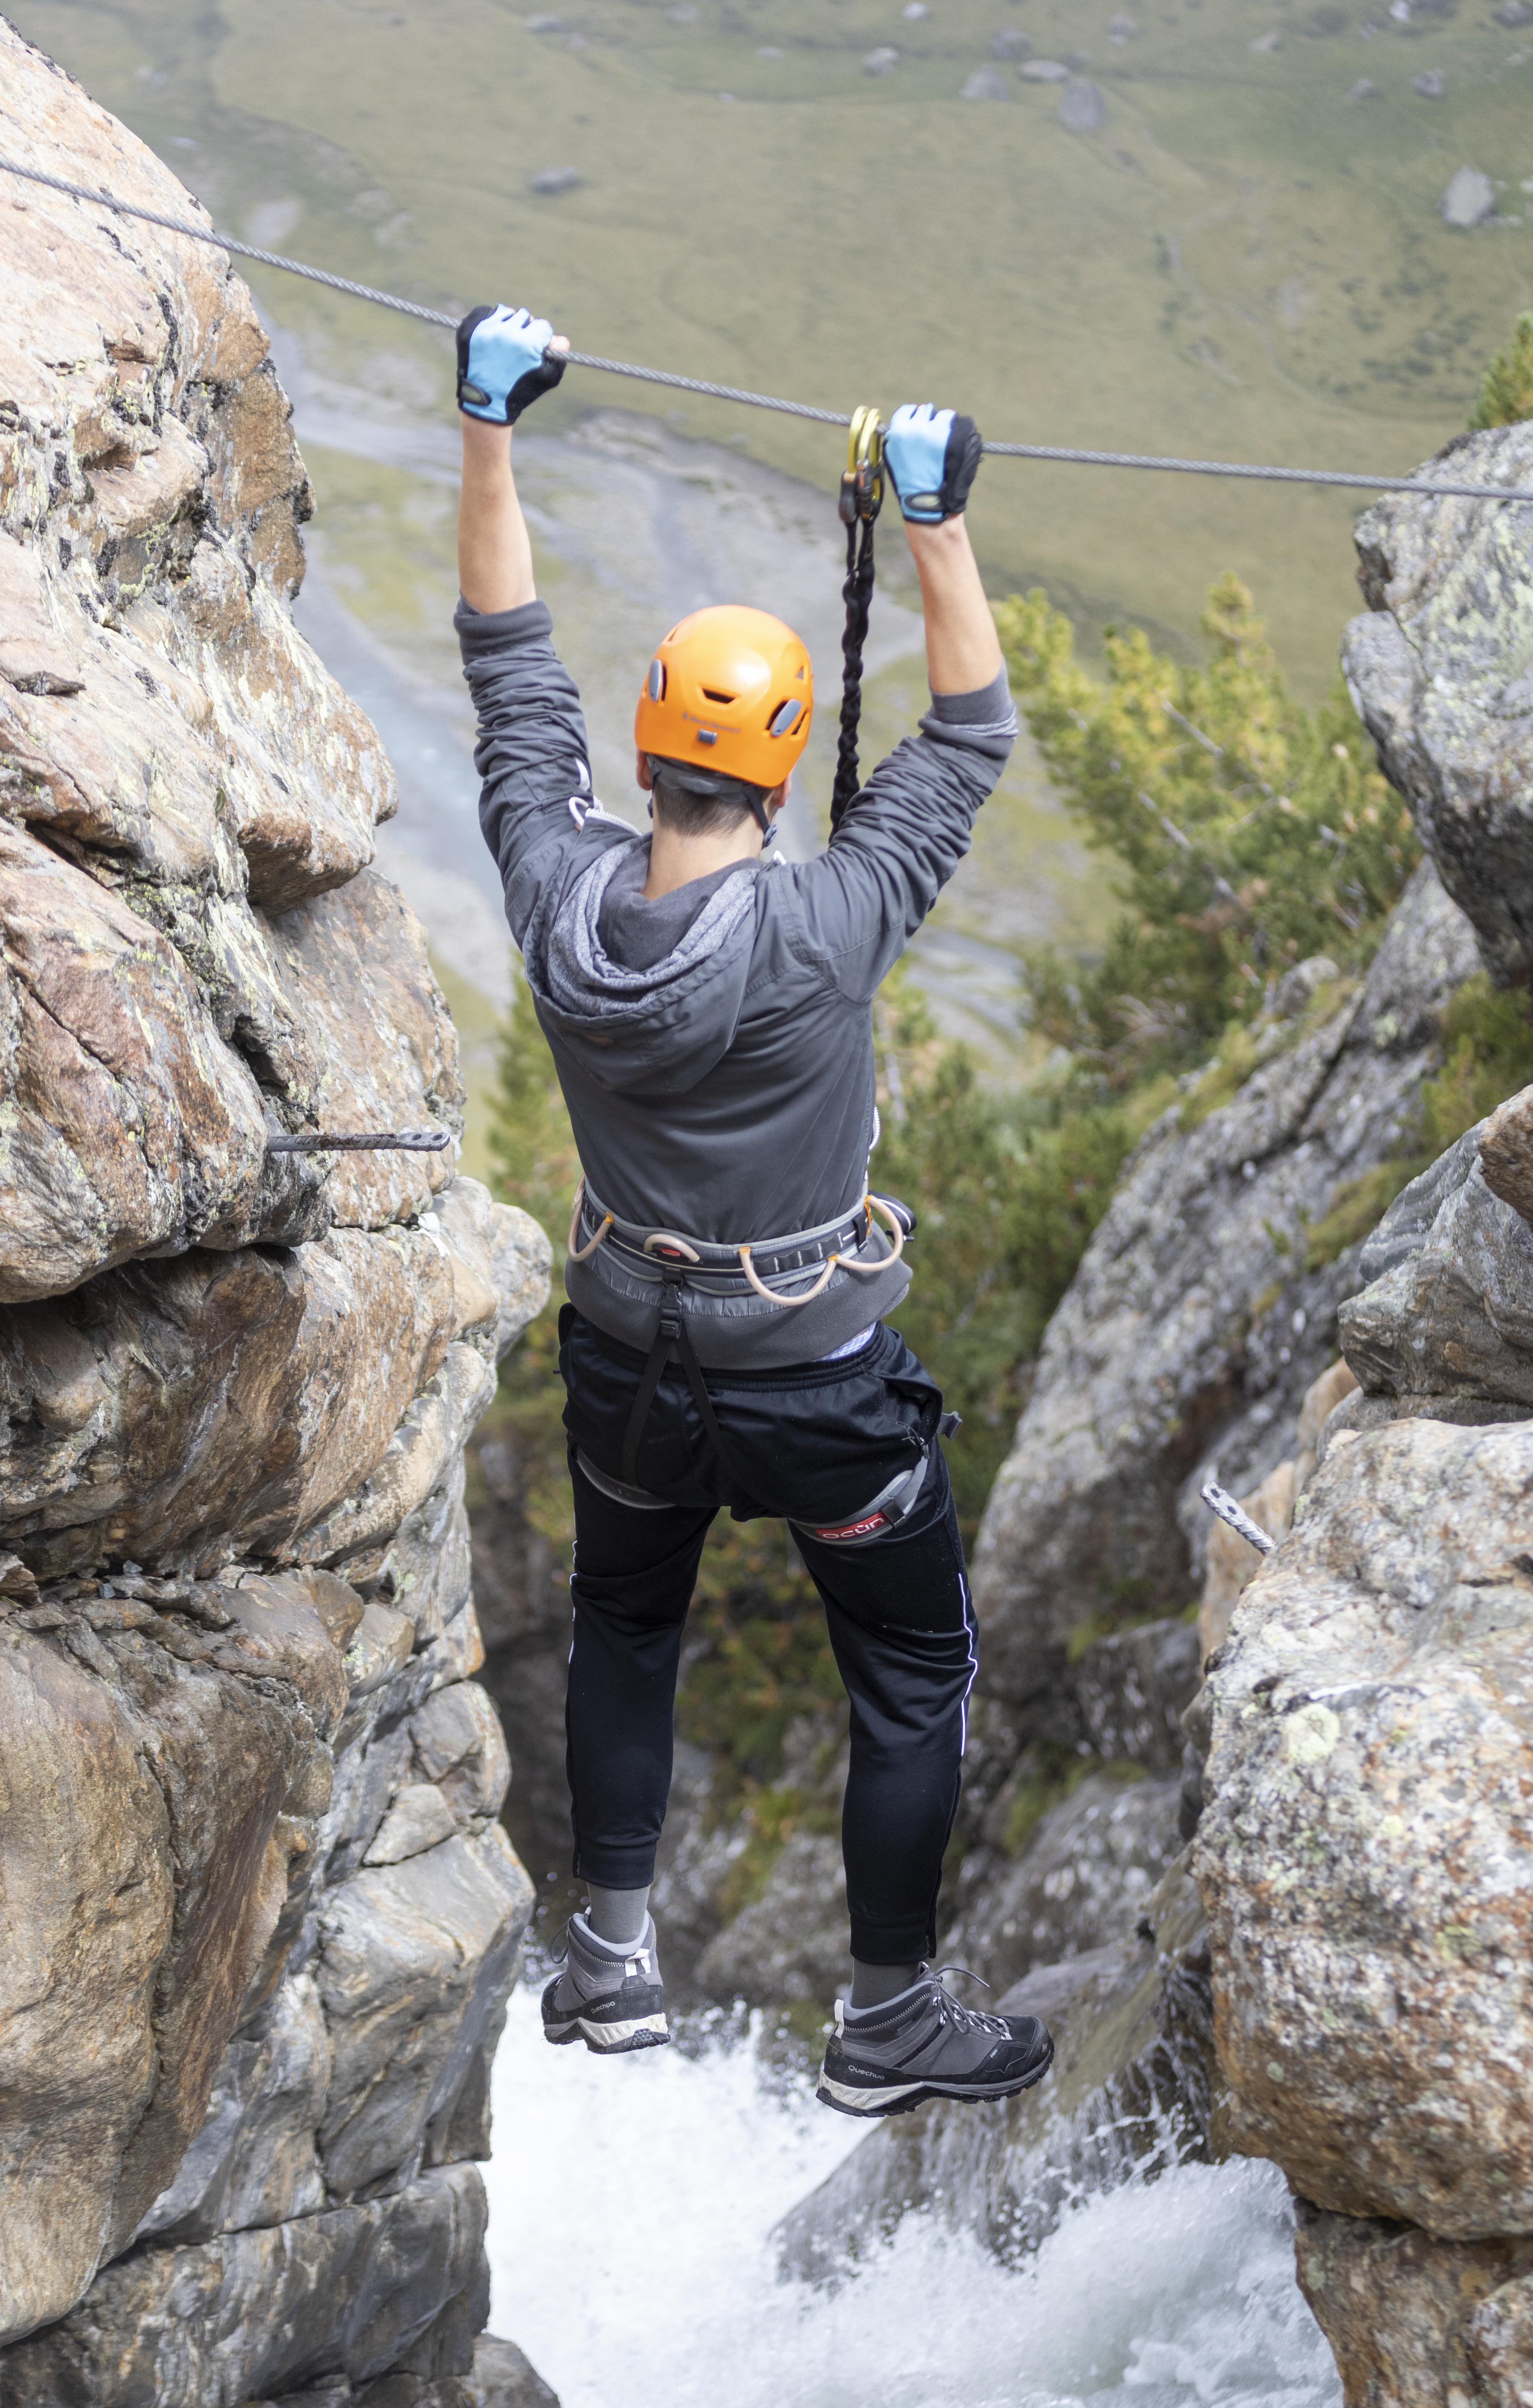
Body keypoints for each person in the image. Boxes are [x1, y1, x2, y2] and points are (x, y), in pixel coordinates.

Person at [454, 303, 1053, 2118]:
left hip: (631, 1355)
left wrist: (487, 424)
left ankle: (611, 1958)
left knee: (627, 1620)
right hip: (814, 1378)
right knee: (910, 1666)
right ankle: (885, 2017)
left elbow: (506, 664)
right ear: (782, 772)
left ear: (645, 751)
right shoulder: (824, 921)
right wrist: (930, 515)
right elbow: (967, 733)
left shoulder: (554, 887)